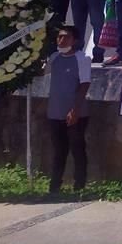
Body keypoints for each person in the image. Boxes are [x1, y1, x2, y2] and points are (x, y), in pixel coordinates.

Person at [45, 24, 92, 194]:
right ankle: (54, 186)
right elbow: (41, 72)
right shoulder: (54, 57)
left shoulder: (82, 58)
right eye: (59, 37)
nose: (62, 40)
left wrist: (76, 109)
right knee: (59, 150)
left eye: (66, 37)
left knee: (77, 148)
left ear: (75, 40)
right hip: (55, 112)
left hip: (75, 113)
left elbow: (84, 84)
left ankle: (79, 185)